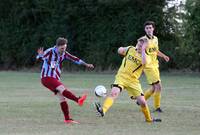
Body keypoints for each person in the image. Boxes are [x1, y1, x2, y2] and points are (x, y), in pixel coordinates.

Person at [95, 37, 161, 122]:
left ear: (145, 47)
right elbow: (120, 50)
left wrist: (143, 50)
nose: (139, 47)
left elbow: (144, 63)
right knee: (114, 93)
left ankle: (149, 119)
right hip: (121, 77)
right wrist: (121, 49)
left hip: (133, 81)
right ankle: (103, 110)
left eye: (142, 46)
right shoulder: (130, 49)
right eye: (138, 44)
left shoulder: (146, 57)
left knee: (143, 102)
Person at [36, 37, 94, 124]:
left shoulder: (64, 54)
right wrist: (40, 55)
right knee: (62, 89)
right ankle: (78, 100)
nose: (64, 50)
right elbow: (39, 57)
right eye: (62, 48)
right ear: (57, 46)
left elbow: (75, 59)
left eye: (65, 48)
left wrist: (86, 64)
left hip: (54, 78)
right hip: (46, 77)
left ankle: (67, 119)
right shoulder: (50, 51)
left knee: (62, 98)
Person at [141, 21, 170, 112]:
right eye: (147, 28)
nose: (149, 29)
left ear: (153, 28)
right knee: (159, 86)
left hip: (155, 65)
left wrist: (164, 56)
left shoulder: (155, 39)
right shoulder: (142, 40)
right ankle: (157, 107)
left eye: (150, 27)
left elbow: (156, 51)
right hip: (148, 67)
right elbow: (137, 52)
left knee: (154, 88)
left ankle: (141, 101)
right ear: (145, 30)